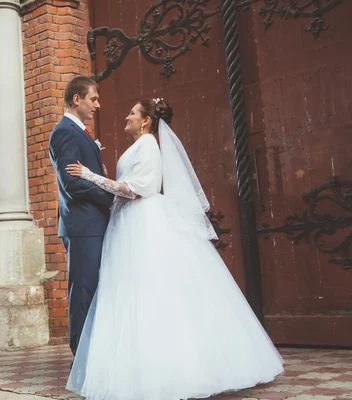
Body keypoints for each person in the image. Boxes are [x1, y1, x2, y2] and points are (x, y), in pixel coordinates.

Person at [64, 98, 284, 400]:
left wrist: (90, 175)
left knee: (153, 290)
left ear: (145, 121)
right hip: (127, 223)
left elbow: (136, 189)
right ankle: (134, 365)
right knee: (131, 291)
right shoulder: (139, 146)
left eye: (132, 113)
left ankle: (172, 368)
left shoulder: (150, 146)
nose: (126, 117)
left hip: (143, 223)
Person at [48, 76, 115, 358]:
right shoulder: (64, 132)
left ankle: (97, 354)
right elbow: (71, 183)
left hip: (94, 224)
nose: (97, 105)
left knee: (97, 288)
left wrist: (101, 179)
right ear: (77, 99)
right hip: (83, 225)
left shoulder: (81, 132)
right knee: (83, 291)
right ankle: (82, 358)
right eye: (93, 99)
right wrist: (111, 195)